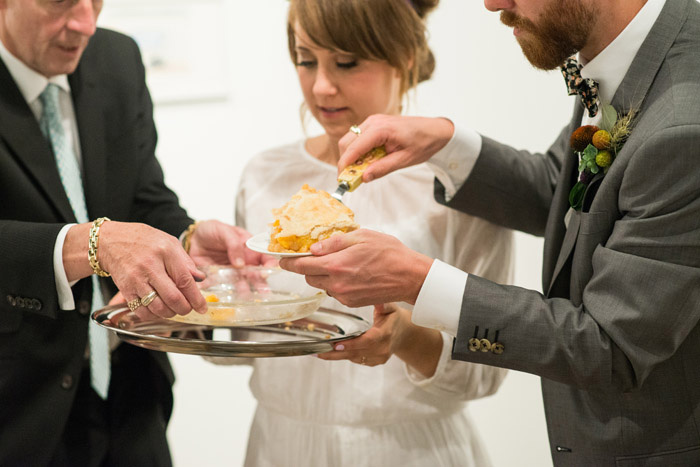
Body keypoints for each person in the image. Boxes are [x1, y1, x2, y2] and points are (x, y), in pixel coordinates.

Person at [280, 0, 700, 465]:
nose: (492, 3)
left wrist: (418, 281)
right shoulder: (631, 56)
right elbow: (564, 189)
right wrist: (444, 141)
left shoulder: (685, 123)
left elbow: (611, 347)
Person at [229, 0, 513, 465]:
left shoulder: (458, 189)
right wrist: (209, 294)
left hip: (410, 449)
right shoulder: (264, 175)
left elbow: (486, 370)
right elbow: (235, 346)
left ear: (403, 55)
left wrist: (405, 338)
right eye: (305, 60)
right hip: (281, 444)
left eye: (346, 62)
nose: (320, 85)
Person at [0, 1, 258, 465]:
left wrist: (186, 238)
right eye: (60, 1)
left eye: (96, 0)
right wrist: (88, 245)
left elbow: (142, 192)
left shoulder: (116, 57)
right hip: (17, 408)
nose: (85, 23)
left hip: (132, 391)